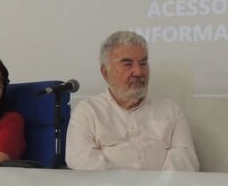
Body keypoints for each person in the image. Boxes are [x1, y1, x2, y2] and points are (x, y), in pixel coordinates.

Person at [66, 31, 199, 171]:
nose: (139, 72)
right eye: (127, 64)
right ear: (105, 72)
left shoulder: (171, 110)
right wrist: (124, 184)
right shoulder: (88, 111)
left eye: (143, 63)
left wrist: (158, 184)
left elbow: (186, 161)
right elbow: (81, 161)